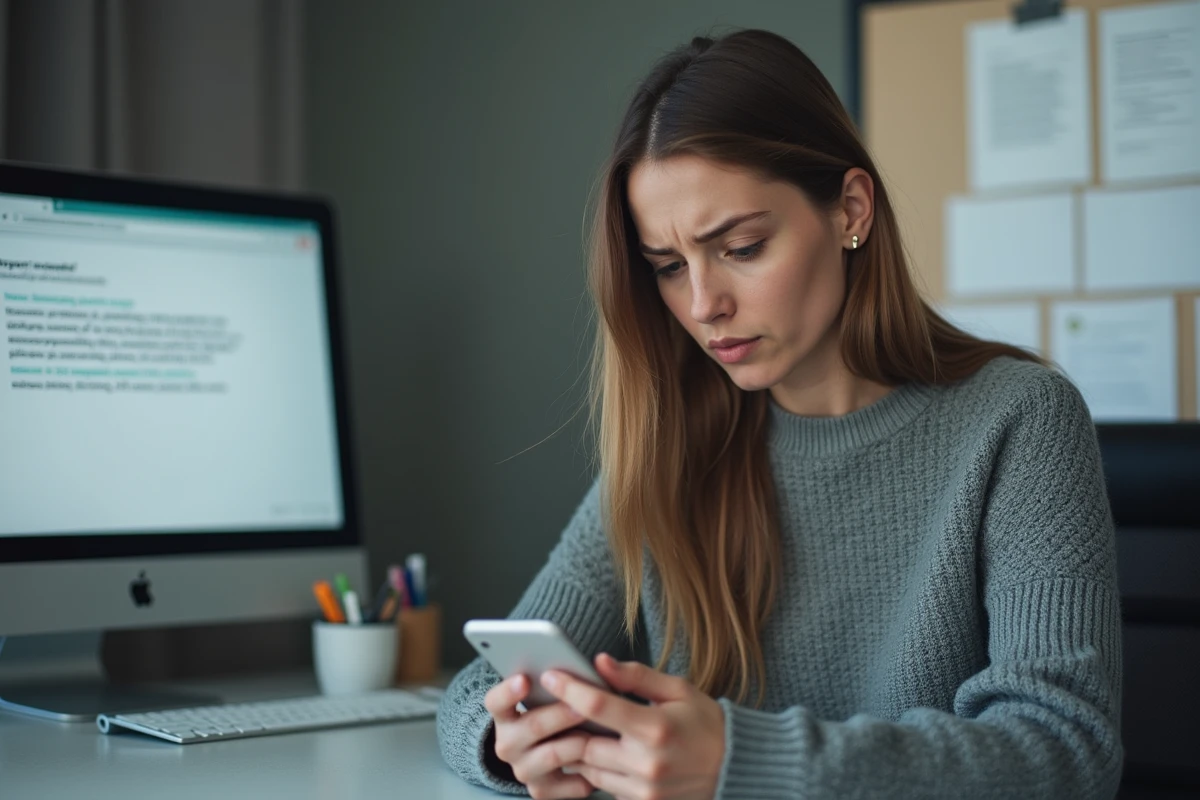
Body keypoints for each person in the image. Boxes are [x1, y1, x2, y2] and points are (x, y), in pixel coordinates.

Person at [436, 28, 1122, 800]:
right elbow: (475, 691)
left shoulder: (1020, 420)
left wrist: (745, 761)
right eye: (668, 266)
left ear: (850, 210)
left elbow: (1066, 750)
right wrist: (510, 742)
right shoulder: (677, 447)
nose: (702, 305)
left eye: (742, 246)